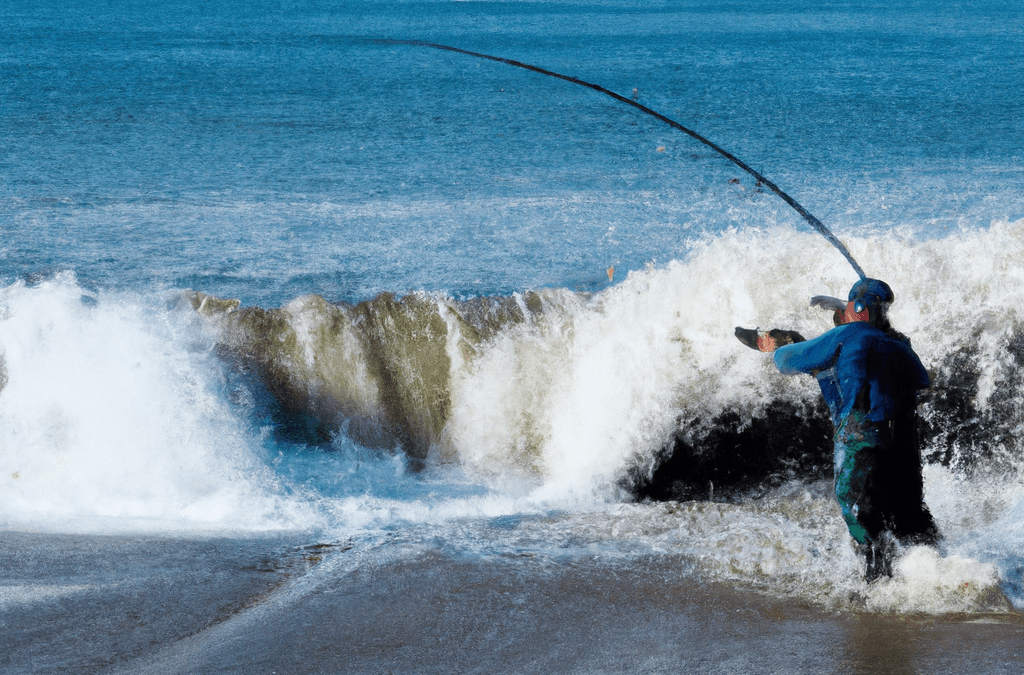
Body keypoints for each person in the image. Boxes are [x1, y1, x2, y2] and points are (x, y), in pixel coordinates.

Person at [736, 278, 940, 581]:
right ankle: (938, 574)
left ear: (857, 310)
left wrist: (780, 345)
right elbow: (922, 380)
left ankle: (877, 589)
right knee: (912, 519)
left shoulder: (848, 333)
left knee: (857, 510)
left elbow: (787, 362)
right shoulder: (901, 345)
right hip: (904, 447)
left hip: (862, 437)